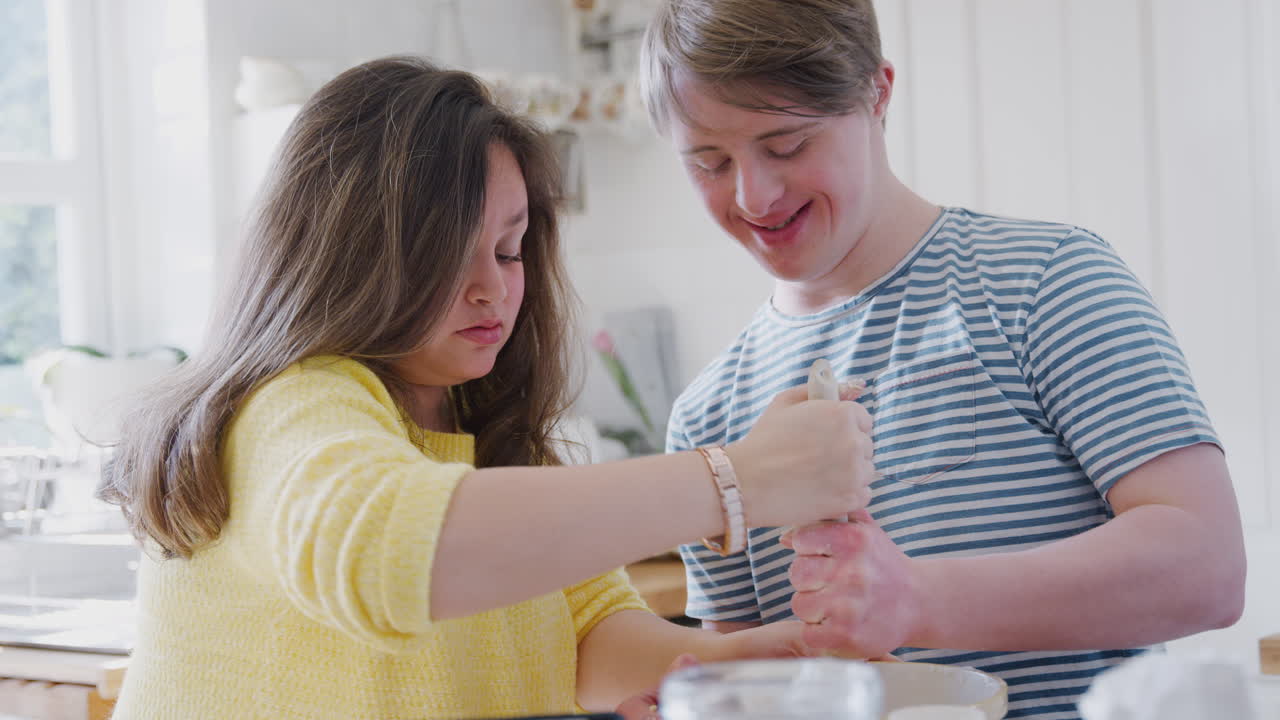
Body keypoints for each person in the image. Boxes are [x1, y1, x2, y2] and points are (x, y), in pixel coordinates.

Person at [97, 56, 879, 720]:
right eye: (446, 257)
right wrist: (738, 479)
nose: (492, 291)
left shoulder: (482, 428)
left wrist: (724, 666)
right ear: (346, 258)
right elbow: (389, 552)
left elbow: (585, 629)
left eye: (508, 251)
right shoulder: (289, 406)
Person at [638, 1, 1247, 718]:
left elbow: (1208, 569)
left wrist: (917, 599)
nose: (753, 195)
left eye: (787, 145)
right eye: (709, 162)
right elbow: (748, 686)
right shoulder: (708, 416)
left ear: (877, 92)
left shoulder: (1043, 281)